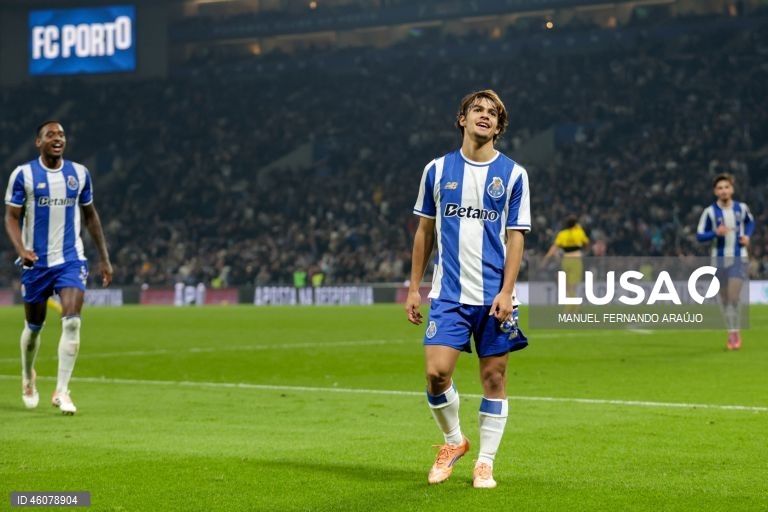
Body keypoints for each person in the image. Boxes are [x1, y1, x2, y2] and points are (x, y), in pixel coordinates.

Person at [405, 90, 530, 489]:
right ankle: (454, 442)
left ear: (499, 126)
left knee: (494, 379)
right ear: (462, 118)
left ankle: (485, 463)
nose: (485, 116)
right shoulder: (437, 171)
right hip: (448, 294)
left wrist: (508, 291)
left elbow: (516, 237)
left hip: (494, 295)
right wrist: (413, 288)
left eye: (493, 113)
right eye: (477, 109)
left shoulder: (513, 174)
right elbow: (424, 231)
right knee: (436, 374)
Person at [4, 121, 113, 414]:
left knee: (73, 320)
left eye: (61, 135)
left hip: (70, 259)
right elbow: (11, 218)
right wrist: (21, 250)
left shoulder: (79, 174)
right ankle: (28, 377)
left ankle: (62, 391)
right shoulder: (23, 175)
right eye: (51, 134)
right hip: (36, 263)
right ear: (38, 142)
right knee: (34, 328)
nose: (58, 138)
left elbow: (90, 216)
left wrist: (104, 258)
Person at [696, 173, 754, 350]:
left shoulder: (741, 208)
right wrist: (715, 233)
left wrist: (747, 237)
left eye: (726, 187)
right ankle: (731, 330)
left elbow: (750, 223)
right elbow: (699, 235)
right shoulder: (709, 212)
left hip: (739, 257)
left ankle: (735, 332)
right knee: (724, 298)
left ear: (732, 189)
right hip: (718, 260)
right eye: (720, 188)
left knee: (734, 296)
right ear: (715, 192)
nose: (723, 191)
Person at [539, 215, 589, 312]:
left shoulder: (562, 234)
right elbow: (586, 243)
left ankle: (573, 307)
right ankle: (571, 308)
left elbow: (553, 249)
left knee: (567, 285)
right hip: (576, 260)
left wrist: (545, 260)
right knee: (572, 285)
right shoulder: (579, 232)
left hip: (566, 260)